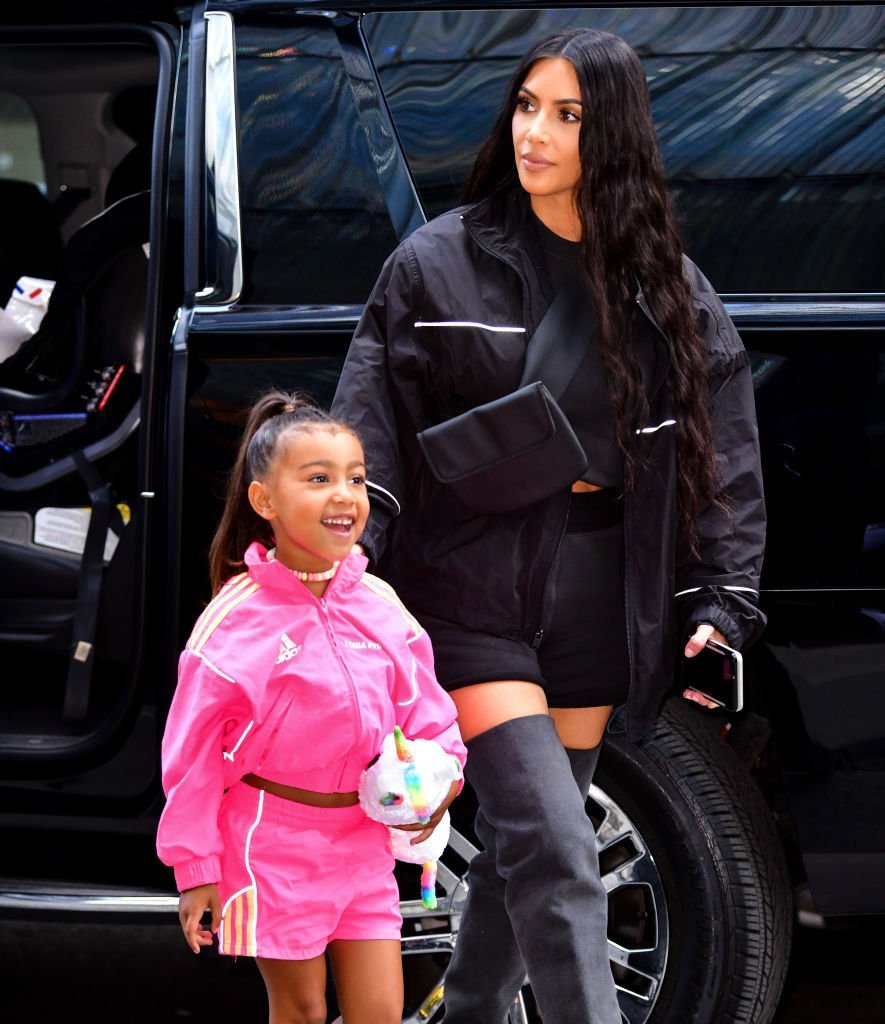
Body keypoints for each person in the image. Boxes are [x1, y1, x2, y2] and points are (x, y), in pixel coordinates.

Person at [331, 26, 766, 1024]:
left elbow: (725, 463)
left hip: (599, 587)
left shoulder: (670, 294)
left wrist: (723, 601)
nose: (536, 132)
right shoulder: (434, 265)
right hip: (471, 578)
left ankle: (467, 1014)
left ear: (610, 135)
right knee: (563, 852)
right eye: (527, 106)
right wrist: (357, 556)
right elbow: (372, 426)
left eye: (567, 115)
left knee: (536, 836)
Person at [155, 391, 467, 1024]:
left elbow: (431, 718)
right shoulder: (235, 622)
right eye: (319, 479)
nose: (345, 495)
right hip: (272, 847)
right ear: (265, 501)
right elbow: (191, 758)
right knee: (299, 1010)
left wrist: (437, 784)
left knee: (379, 1011)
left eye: (356, 477)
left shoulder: (379, 603)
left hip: (363, 845)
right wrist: (196, 868)